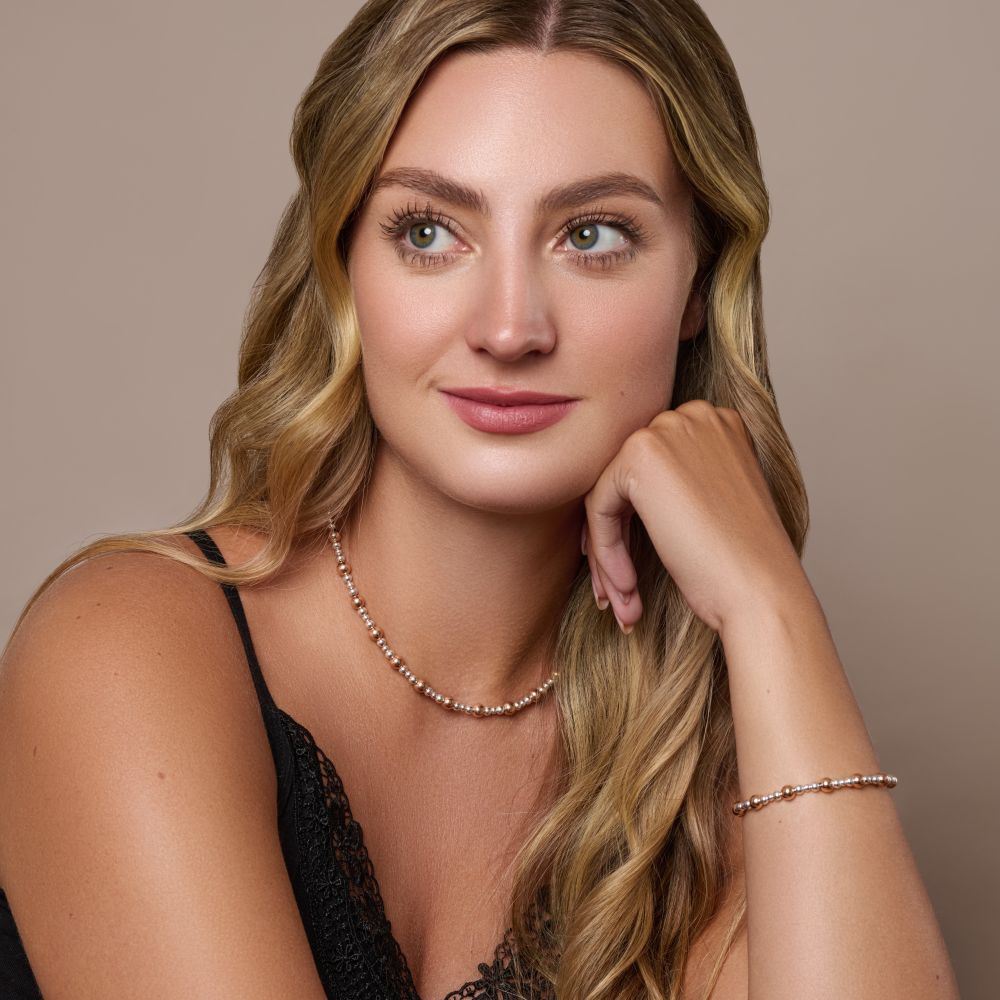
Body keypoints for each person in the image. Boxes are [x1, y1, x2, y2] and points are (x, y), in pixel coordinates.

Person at [0, 1, 960, 998]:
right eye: (429, 231)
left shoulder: (693, 757)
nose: (508, 329)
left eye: (591, 234)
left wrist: (771, 612)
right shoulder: (127, 650)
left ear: (694, 284)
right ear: (343, 265)